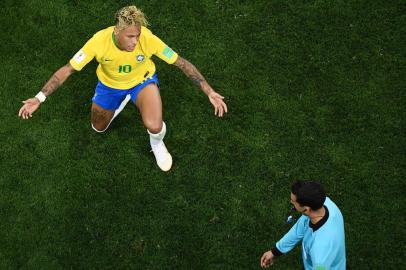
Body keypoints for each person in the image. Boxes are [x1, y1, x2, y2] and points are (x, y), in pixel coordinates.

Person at [18, 5, 227, 171]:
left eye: (137, 35)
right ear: (117, 31)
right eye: (130, 36)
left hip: (142, 82)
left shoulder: (147, 39)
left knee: (154, 125)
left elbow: (180, 62)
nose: (136, 42)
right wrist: (39, 98)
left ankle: (157, 144)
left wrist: (209, 91)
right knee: (98, 127)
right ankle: (120, 101)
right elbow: (67, 70)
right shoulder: (98, 41)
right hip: (109, 86)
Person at [260, 181, 346, 270]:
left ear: (306, 209)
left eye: (293, 202)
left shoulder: (320, 249)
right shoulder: (326, 204)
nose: (291, 202)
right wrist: (275, 252)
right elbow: (298, 230)